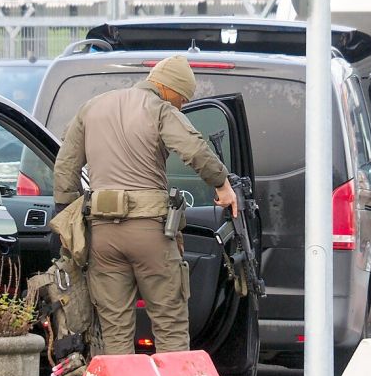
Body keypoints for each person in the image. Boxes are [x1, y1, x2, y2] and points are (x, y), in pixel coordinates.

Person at [52, 55, 238, 355]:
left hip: (102, 235)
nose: (180, 106)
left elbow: (65, 167)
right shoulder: (160, 109)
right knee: (170, 323)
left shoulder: (92, 107)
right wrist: (222, 185)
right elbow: (195, 149)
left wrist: (66, 216)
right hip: (150, 233)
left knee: (114, 330)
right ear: (169, 89)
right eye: (181, 99)